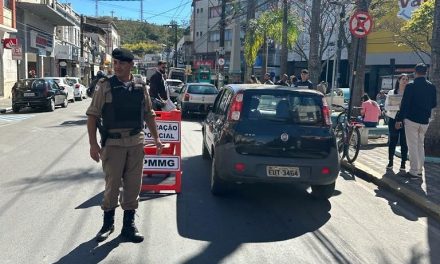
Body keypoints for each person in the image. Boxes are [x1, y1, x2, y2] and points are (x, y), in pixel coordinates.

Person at [86, 48, 163, 243]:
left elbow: (149, 114)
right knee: (112, 185)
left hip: (136, 143)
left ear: (130, 65)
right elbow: (93, 116)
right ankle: (108, 223)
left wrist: (156, 138)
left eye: (121, 63)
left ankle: (128, 226)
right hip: (113, 144)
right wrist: (93, 144)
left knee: (133, 185)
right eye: (115, 63)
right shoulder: (104, 86)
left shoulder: (140, 86)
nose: (117, 66)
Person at [395, 63, 437, 179]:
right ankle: (419, 170)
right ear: (426, 72)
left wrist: (399, 119)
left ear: (415, 72)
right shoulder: (431, 86)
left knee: (412, 145)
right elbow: (434, 104)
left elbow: (405, 104)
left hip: (411, 119)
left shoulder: (410, 86)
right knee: (420, 145)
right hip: (425, 120)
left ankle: (413, 171)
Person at [384, 74, 409, 171]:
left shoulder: (409, 92)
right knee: (392, 141)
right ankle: (390, 161)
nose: (405, 81)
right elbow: (387, 107)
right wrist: (398, 107)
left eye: (407, 79)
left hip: (405, 120)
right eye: (403, 79)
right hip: (393, 118)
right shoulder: (391, 92)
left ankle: (403, 163)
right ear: (399, 80)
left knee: (404, 142)